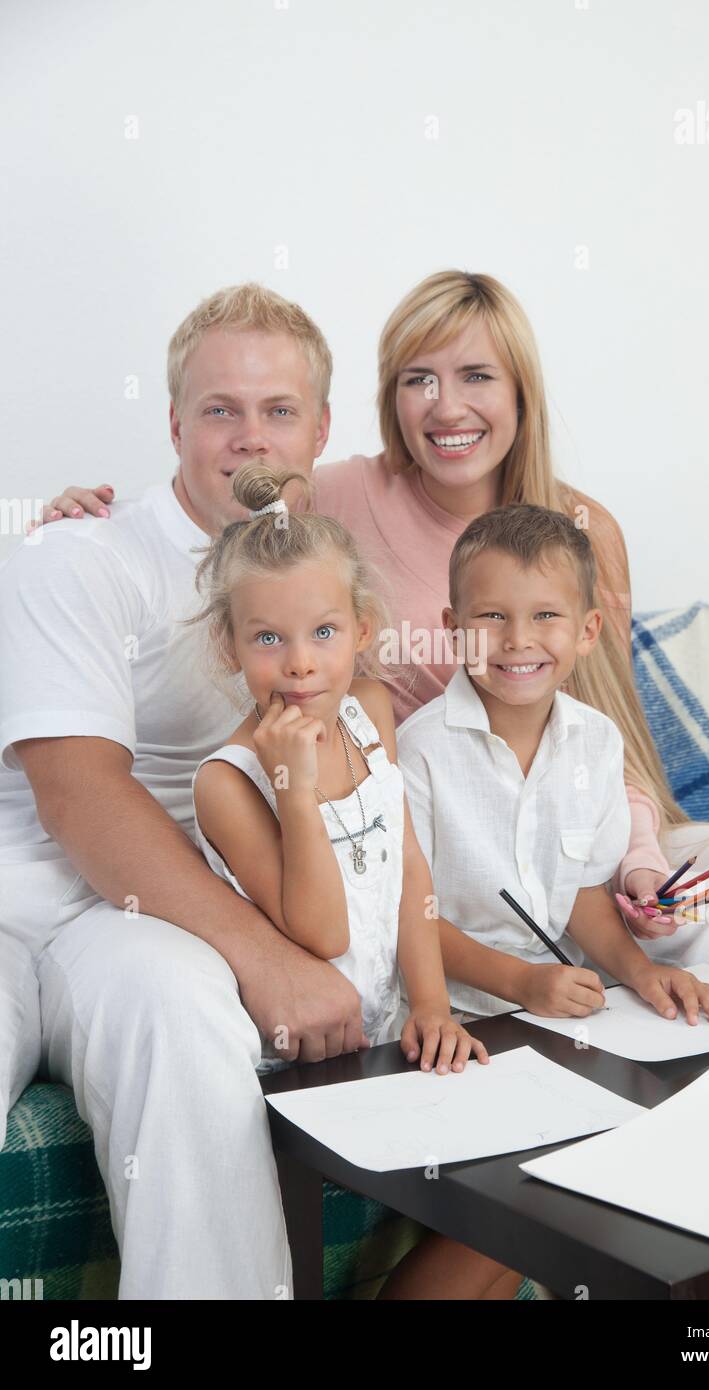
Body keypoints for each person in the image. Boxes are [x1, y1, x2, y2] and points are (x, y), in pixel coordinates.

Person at [48, 272, 709, 1013]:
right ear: (387, 400)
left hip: (597, 833)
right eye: (418, 381)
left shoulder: (583, 529)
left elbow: (613, 740)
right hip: (449, 847)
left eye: (477, 376)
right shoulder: (329, 497)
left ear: (521, 393)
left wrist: (639, 861)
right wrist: (91, 523)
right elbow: (226, 514)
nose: (446, 407)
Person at [0, 287, 364, 1298]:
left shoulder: (307, 586)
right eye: (220, 410)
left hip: (135, 919)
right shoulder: (78, 551)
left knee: (183, 1008)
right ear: (173, 423)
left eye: (279, 411)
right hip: (17, 895)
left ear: (320, 431)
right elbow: (78, 795)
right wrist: (266, 959)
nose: (249, 439)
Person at [185, 456, 522, 1299]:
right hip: (308, 1058)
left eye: (323, 633)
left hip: (396, 1019)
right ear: (228, 644)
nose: (300, 665)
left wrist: (436, 1007)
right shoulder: (227, 783)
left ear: (363, 629)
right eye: (268, 638)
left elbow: (409, 871)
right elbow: (324, 933)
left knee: (534, 1197)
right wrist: (294, 785)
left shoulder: (370, 711)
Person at [397, 502, 709, 1012]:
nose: (517, 640)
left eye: (546, 615)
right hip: (456, 1009)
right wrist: (521, 983)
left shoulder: (596, 740)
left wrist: (644, 974)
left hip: (560, 997)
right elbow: (406, 914)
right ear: (453, 627)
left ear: (588, 631)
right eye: (492, 616)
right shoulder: (419, 751)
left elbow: (579, 893)